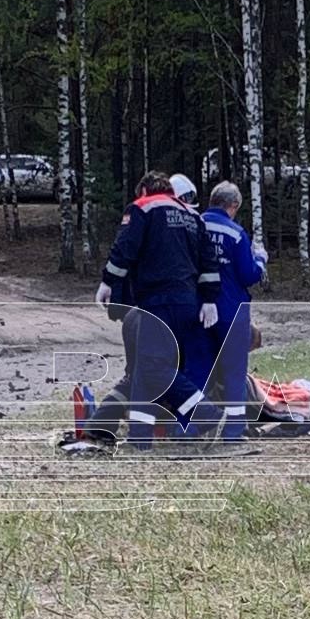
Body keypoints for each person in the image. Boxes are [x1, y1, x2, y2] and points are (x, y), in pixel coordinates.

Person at [95, 170, 221, 445]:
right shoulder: (192, 215)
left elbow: (126, 248)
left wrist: (108, 282)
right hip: (188, 303)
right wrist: (210, 299)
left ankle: (204, 412)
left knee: (152, 367)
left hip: (156, 301)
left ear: (144, 191)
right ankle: (140, 438)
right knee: (144, 369)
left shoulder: (142, 208)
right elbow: (208, 261)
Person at [188, 180, 267, 442]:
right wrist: (260, 260)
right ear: (233, 206)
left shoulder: (194, 226)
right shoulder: (235, 233)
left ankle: (189, 427)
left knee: (198, 368)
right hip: (232, 309)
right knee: (234, 371)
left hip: (198, 307)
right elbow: (248, 274)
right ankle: (233, 430)